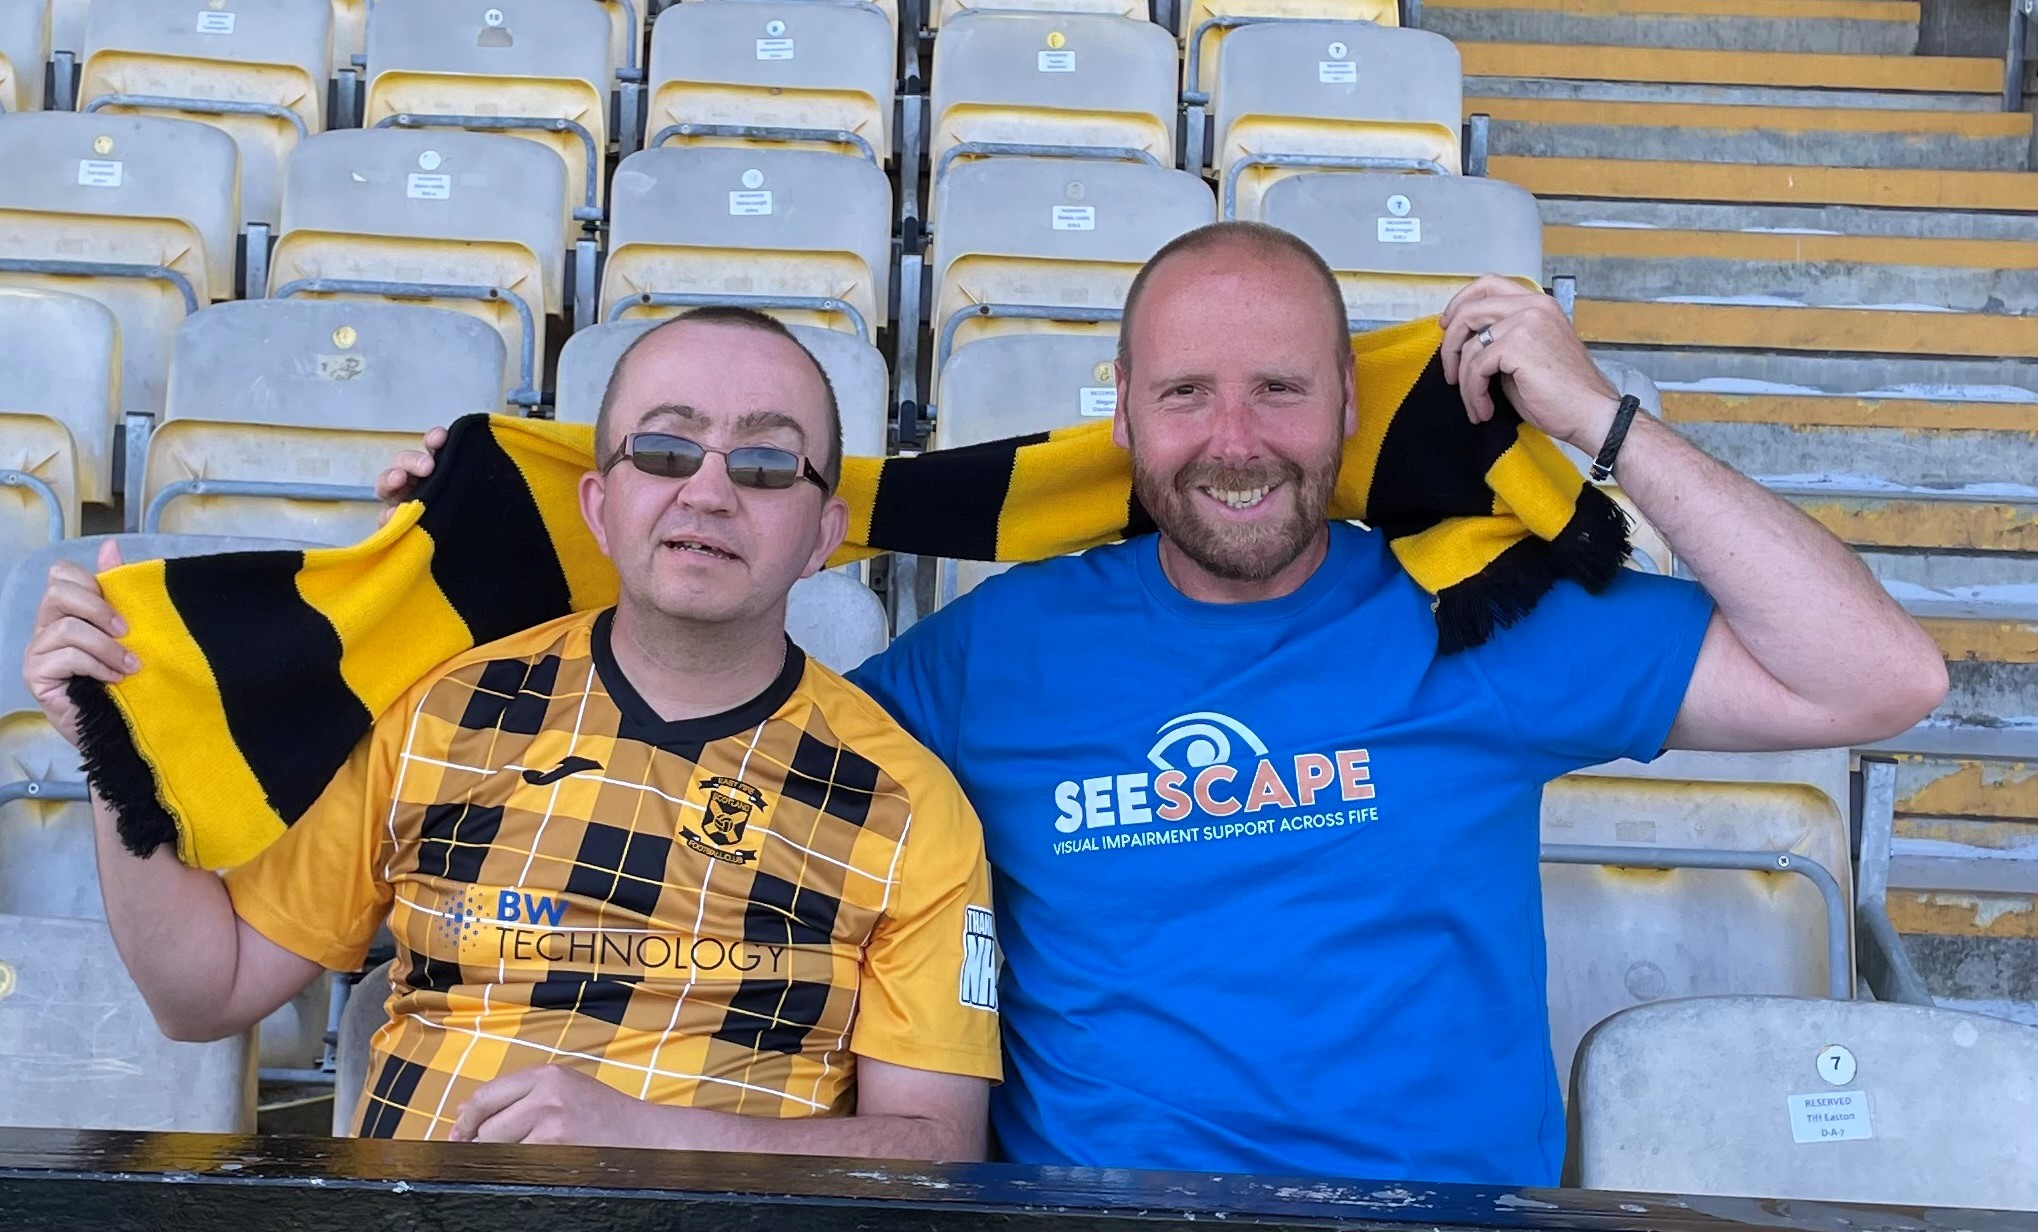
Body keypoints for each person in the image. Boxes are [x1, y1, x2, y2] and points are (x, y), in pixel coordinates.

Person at [22, 307, 1001, 1152]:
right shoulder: (436, 708)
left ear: (825, 532)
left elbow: (934, 1147)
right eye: (663, 450)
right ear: (598, 504)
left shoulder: (909, 806)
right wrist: (120, 748)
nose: (707, 491)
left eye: (764, 460)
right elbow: (204, 993)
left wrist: (651, 1138)